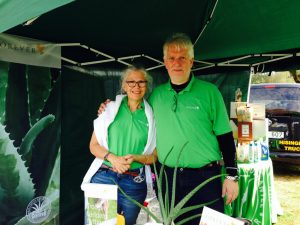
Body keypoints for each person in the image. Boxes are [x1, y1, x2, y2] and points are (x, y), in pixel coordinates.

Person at [98, 33, 239, 225]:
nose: (177, 63)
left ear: (191, 61)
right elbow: (134, 107)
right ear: (165, 62)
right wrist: (107, 108)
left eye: (182, 58)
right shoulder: (157, 96)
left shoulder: (210, 92)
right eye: (172, 58)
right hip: (169, 179)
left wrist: (232, 176)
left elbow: (225, 136)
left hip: (206, 178)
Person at [81, 66, 157, 225]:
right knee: (100, 223)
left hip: (134, 181)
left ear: (147, 86)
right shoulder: (109, 109)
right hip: (104, 176)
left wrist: (135, 158)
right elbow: (93, 145)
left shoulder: (152, 116)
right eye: (131, 82)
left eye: (141, 82)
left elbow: (155, 156)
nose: (136, 86)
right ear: (123, 85)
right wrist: (113, 158)